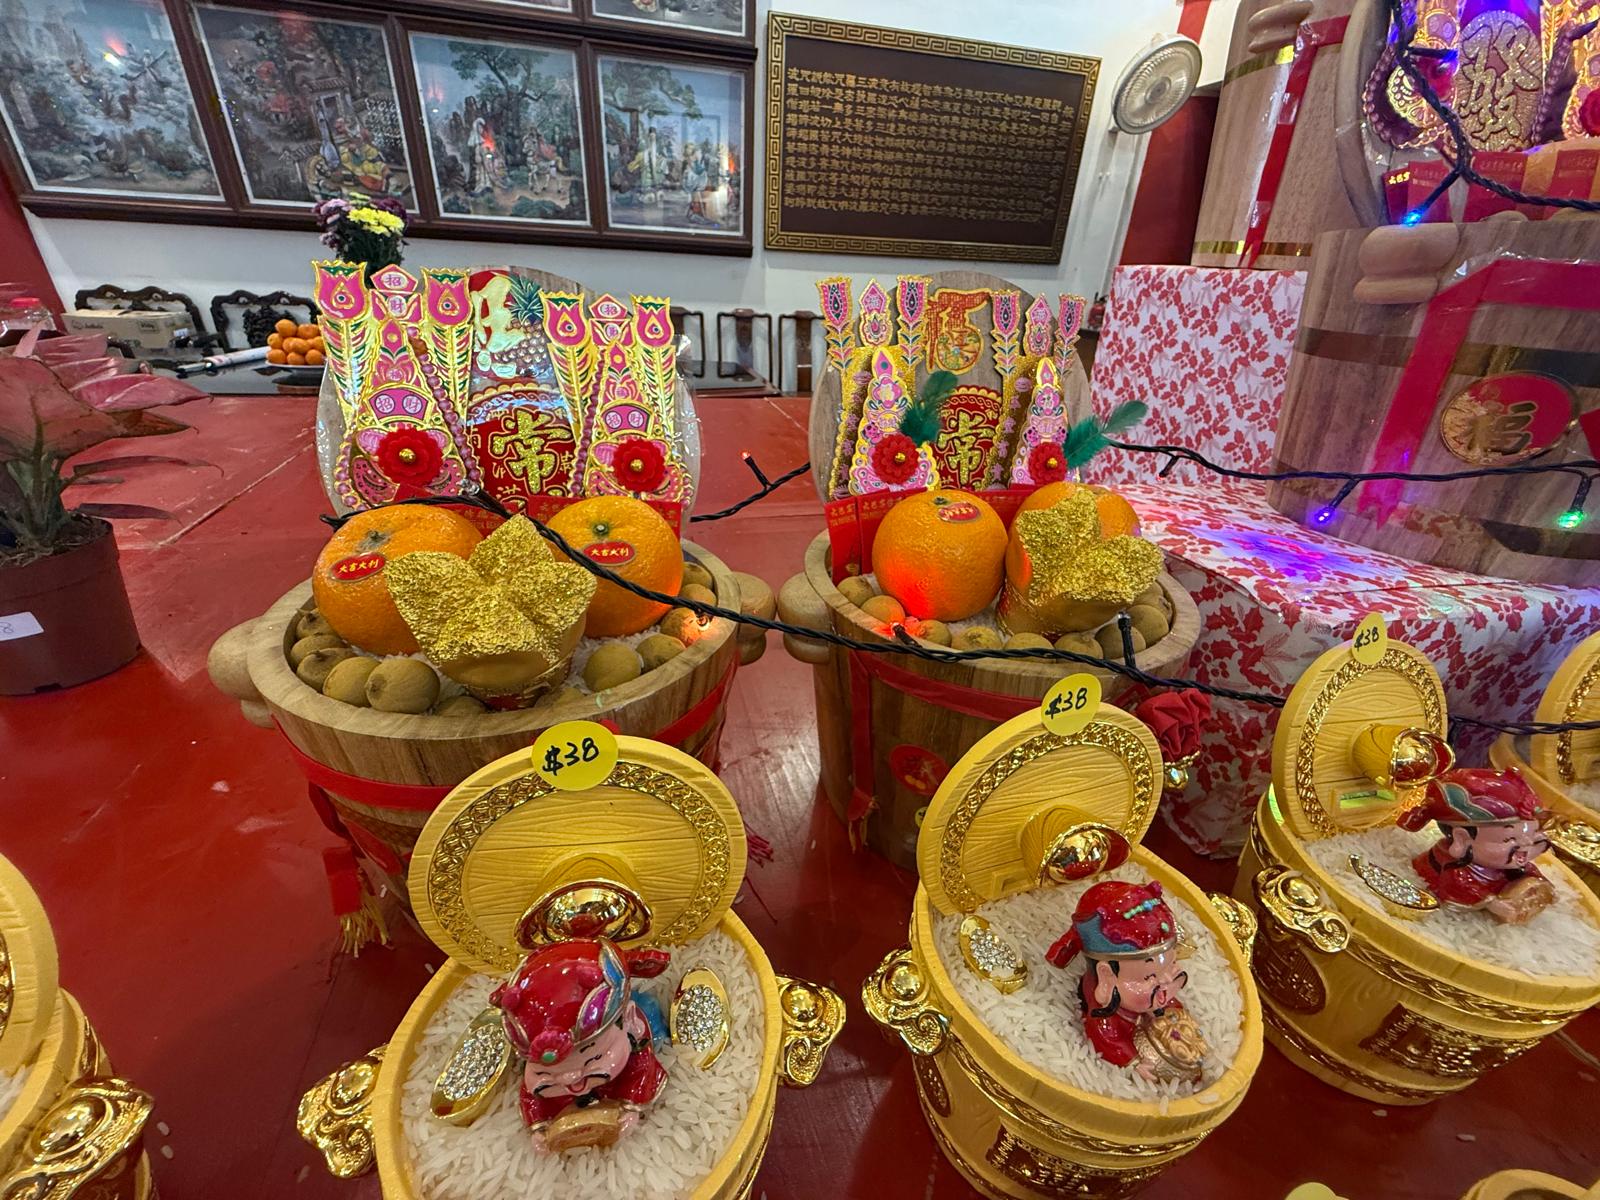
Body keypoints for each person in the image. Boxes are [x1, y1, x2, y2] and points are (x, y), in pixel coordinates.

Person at [491, 938, 670, 1152]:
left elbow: (641, 1072)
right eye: (543, 1072)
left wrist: (631, 1108)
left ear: (629, 1020)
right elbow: (532, 1098)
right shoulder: (540, 1072)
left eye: (594, 1058)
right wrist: (539, 1127)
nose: (571, 1078)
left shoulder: (633, 1043)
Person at [1046, 879, 1207, 1084]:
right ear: (1107, 978)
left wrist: (1175, 1016)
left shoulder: (1158, 993)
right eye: (1148, 977)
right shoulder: (1106, 1012)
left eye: (1171, 965)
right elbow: (1109, 1040)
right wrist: (1133, 1063)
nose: (1166, 982)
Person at [1398, 766, 1556, 923]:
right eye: (1509, 839)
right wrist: (1492, 903)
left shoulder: (1507, 864)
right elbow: (1460, 887)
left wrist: (1543, 886)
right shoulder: (1456, 869)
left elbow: (1528, 871)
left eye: (1530, 835)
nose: (1526, 845)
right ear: (1462, 840)